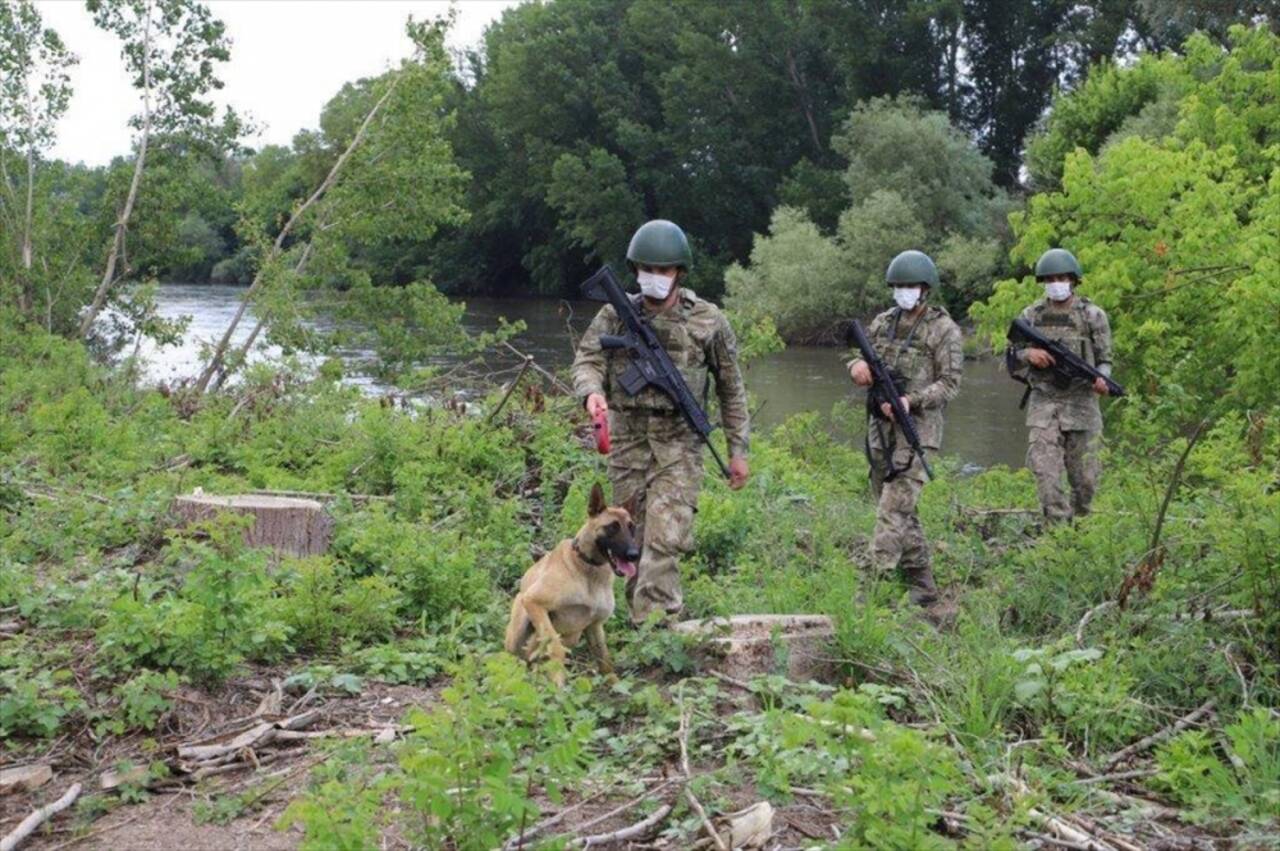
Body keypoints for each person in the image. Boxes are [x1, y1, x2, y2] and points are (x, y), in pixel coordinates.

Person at [571, 220, 750, 624]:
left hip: (679, 444)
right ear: (635, 270)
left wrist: (738, 451)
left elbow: (732, 390)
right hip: (629, 441)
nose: (654, 278)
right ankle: (641, 621)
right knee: (630, 538)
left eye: (664, 270)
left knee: (665, 536)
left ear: (679, 273)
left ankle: (659, 627)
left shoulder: (708, 320)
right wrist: (592, 392)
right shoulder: (615, 314)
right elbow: (587, 359)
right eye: (646, 269)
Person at [847, 250, 962, 610]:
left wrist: (911, 401)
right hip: (880, 430)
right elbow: (857, 353)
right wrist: (856, 366)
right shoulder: (883, 323)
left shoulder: (944, 330)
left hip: (918, 433)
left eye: (910, 286)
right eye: (898, 286)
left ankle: (871, 591)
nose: (903, 292)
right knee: (900, 508)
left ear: (925, 289)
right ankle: (924, 587)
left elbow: (950, 383)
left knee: (893, 510)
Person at [1010, 248, 1113, 523]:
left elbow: (1105, 359)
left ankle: (1081, 528)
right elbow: (1010, 356)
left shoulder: (1093, 315)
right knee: (1045, 473)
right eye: (1050, 278)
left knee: (1086, 479)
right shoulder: (1031, 315)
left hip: (1082, 404)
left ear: (1073, 279)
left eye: (1061, 277)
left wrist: (1101, 379)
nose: (1055, 283)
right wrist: (1028, 355)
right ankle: (1057, 532)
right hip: (1044, 402)